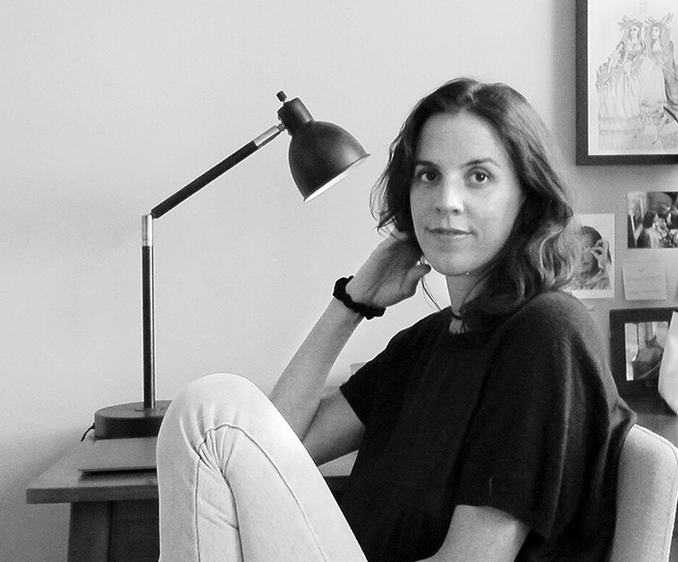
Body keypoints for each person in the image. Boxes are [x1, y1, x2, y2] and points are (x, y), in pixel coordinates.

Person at [157, 77, 633, 562]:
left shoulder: (547, 334)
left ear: (527, 198)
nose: (446, 199)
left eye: (479, 177)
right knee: (210, 413)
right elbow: (272, 451)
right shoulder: (431, 340)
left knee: (209, 410)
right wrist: (350, 306)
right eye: (428, 175)